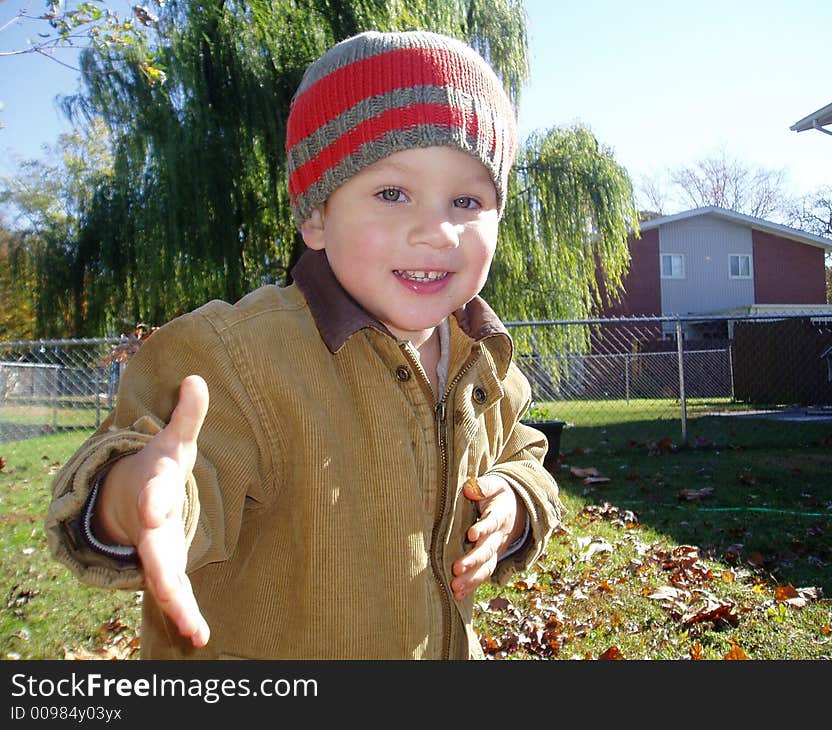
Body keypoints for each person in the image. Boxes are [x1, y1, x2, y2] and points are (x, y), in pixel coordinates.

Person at [45, 29, 563, 660]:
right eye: (392, 194)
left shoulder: (485, 361)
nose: (436, 231)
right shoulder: (235, 359)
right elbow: (174, 465)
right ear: (316, 215)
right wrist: (138, 498)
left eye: (467, 200)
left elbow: (523, 452)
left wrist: (514, 498)